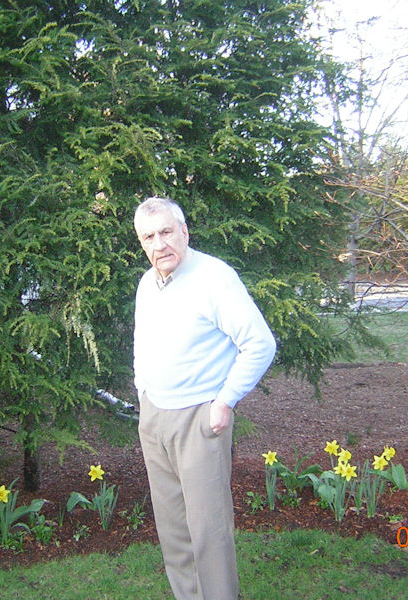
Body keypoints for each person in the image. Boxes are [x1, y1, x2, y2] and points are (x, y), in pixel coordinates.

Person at [132, 196, 276, 600]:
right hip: (154, 416)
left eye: (165, 232)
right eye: (148, 237)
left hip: (200, 419)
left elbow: (260, 344)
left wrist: (225, 400)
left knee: (209, 531)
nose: (159, 244)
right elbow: (142, 341)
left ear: (184, 232)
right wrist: (143, 389)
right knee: (173, 530)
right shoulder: (148, 283)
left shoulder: (214, 277)